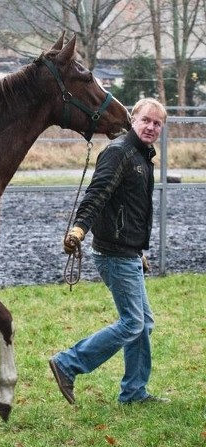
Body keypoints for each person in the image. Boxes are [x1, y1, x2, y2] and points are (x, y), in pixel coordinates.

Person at [49, 97, 169, 405]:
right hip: (113, 253)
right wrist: (78, 228)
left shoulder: (141, 156)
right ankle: (68, 363)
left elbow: (131, 208)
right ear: (133, 119)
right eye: (146, 120)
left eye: (157, 123)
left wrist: (138, 250)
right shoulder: (120, 153)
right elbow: (98, 194)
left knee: (143, 322)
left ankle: (133, 392)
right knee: (133, 322)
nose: (151, 127)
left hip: (127, 251)